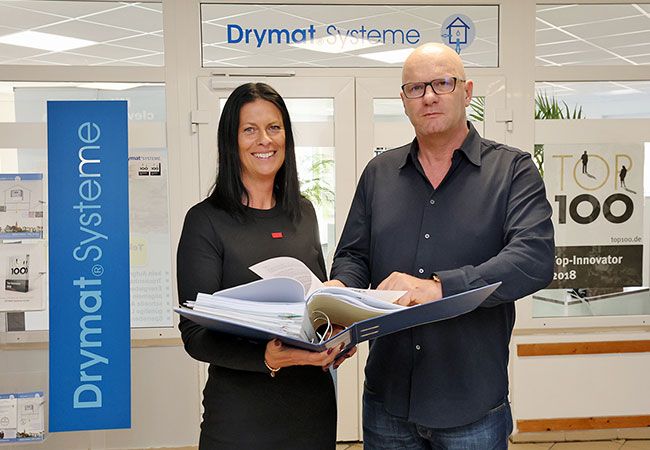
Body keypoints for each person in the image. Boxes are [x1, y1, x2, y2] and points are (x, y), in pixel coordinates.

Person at [328, 43, 555, 449]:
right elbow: (353, 255)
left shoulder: (512, 171)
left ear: (467, 92)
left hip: (472, 404)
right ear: (404, 101)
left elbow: (533, 259)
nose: (429, 96)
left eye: (442, 83)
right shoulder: (379, 174)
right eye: (416, 88)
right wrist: (340, 291)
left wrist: (440, 288)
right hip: (387, 399)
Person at [177, 82, 341, 450]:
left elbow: (316, 304)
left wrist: (336, 337)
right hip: (240, 420)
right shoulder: (205, 221)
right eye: (249, 130)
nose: (264, 140)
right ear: (231, 141)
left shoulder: (303, 213)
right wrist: (263, 357)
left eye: (274, 127)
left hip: (312, 412)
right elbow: (194, 334)